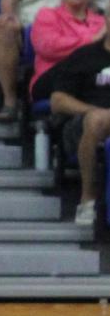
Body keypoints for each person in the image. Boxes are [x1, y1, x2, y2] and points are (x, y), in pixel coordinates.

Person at [39, 20, 110, 227]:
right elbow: (57, 100)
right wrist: (94, 112)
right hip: (83, 125)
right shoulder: (85, 56)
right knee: (96, 120)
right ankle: (88, 198)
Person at [29, 0, 106, 98]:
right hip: (52, 79)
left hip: (92, 79)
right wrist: (93, 40)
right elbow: (49, 47)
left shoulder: (102, 22)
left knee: (103, 79)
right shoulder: (47, 15)